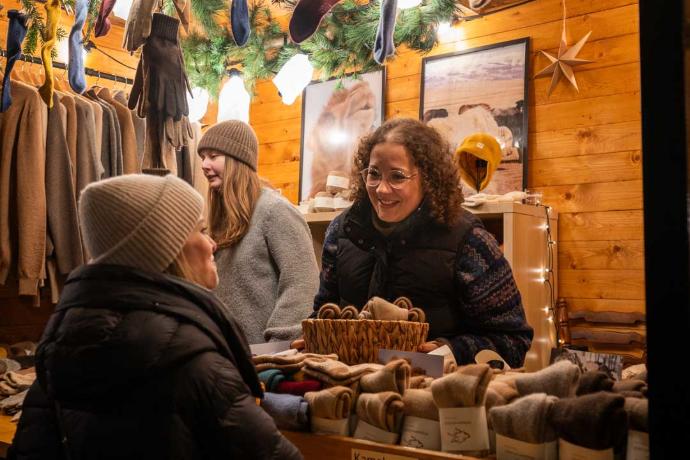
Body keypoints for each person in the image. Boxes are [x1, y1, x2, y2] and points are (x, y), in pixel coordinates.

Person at [8, 175, 302, 460]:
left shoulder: (59, 348)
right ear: (166, 249)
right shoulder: (189, 359)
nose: (212, 244)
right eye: (201, 230)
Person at [312, 118, 533, 368]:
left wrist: (451, 351)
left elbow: (514, 341)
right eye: (373, 174)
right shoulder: (341, 233)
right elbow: (322, 315)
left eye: (397, 177)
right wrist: (315, 340)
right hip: (349, 395)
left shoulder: (469, 241)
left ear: (427, 178)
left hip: (435, 398)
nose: (381, 189)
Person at [198, 120, 319, 344]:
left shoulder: (275, 211)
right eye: (203, 157)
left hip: (266, 363)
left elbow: (302, 283)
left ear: (237, 160)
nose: (204, 164)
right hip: (229, 356)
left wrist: (279, 346)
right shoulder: (220, 219)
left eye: (213, 156)